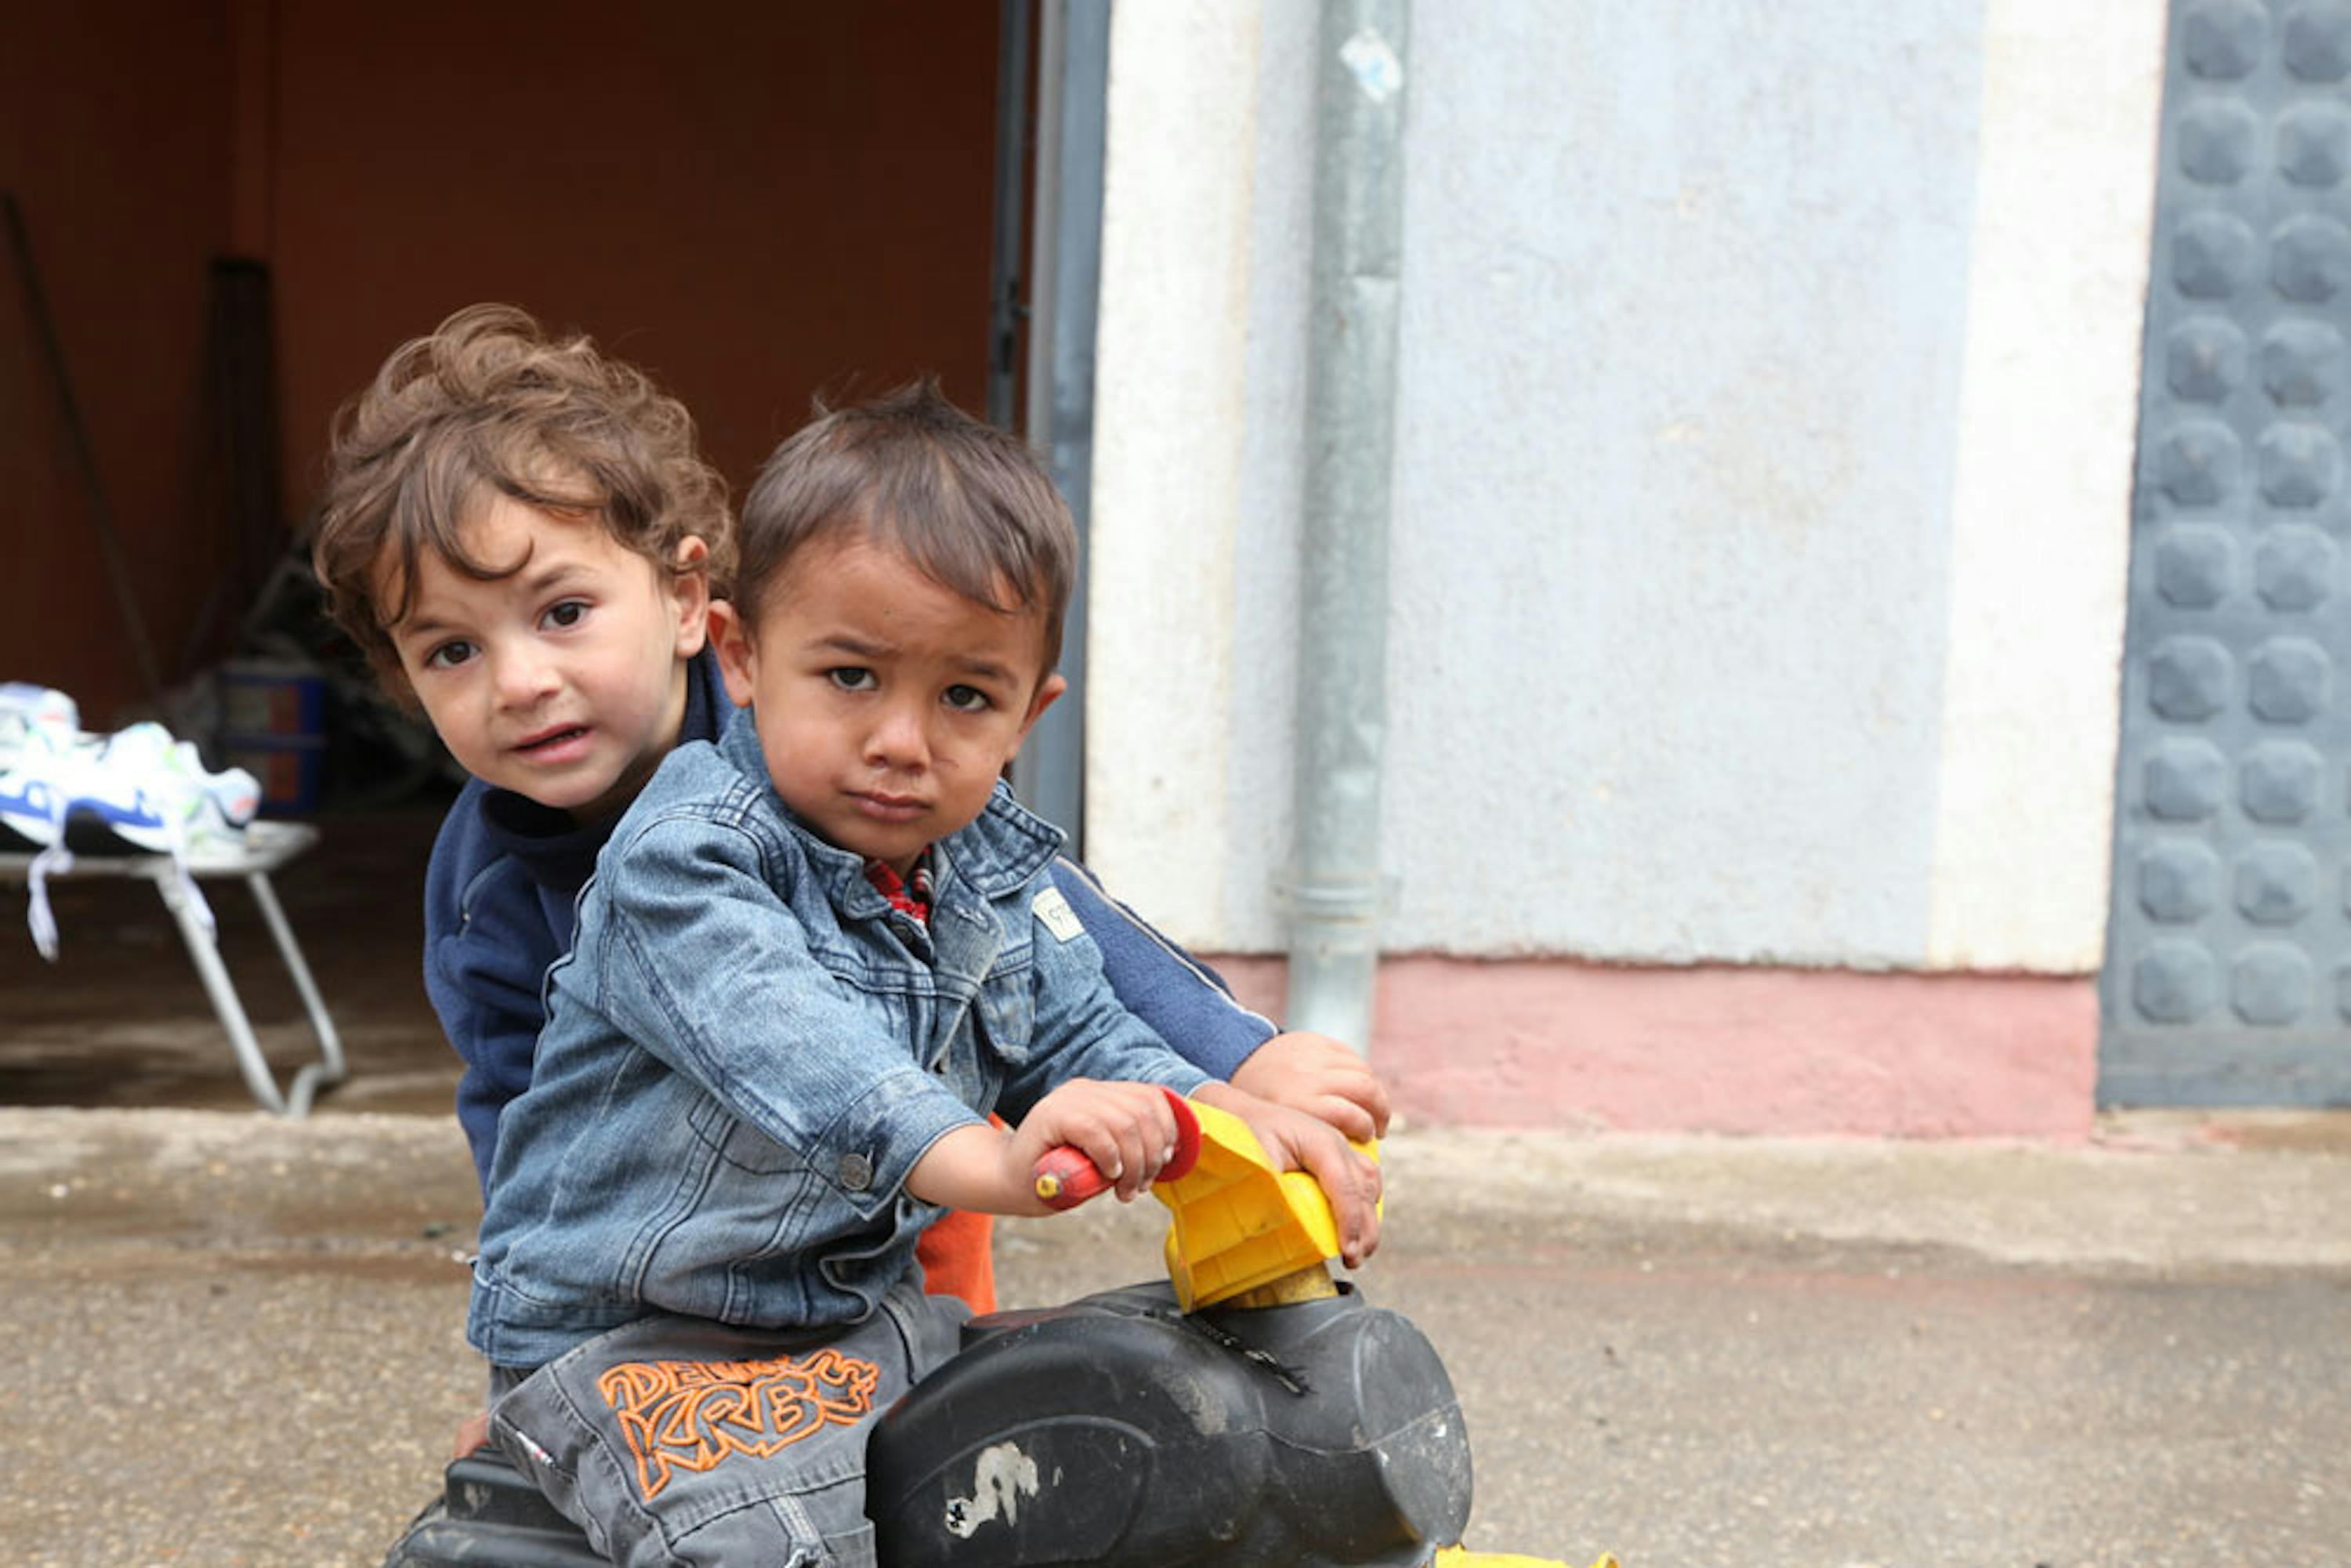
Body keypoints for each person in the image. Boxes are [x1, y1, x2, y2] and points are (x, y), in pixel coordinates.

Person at [309, 306, 1390, 1331]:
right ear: (402, 678)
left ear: (693, 608)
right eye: (452, 649)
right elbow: (520, 1116)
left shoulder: (840, 736)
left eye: (564, 612)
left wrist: (1237, 1062)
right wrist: (539, 1366)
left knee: (940, 1427)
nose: (521, 681)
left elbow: (1049, 918)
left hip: (919, 1149)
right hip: (697, 1244)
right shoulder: (484, 890)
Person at [458, 380, 1381, 1566]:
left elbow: (1087, 1027)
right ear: (742, 656)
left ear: (1027, 714)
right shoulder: (686, 861)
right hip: (640, 1340)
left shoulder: (980, 863)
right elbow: (803, 1051)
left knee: (1081, 1461)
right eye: (851, 677)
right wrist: (995, 1157)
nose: (902, 740)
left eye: (962, 695)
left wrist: (1227, 1117)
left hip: (849, 1312)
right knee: (774, 1551)